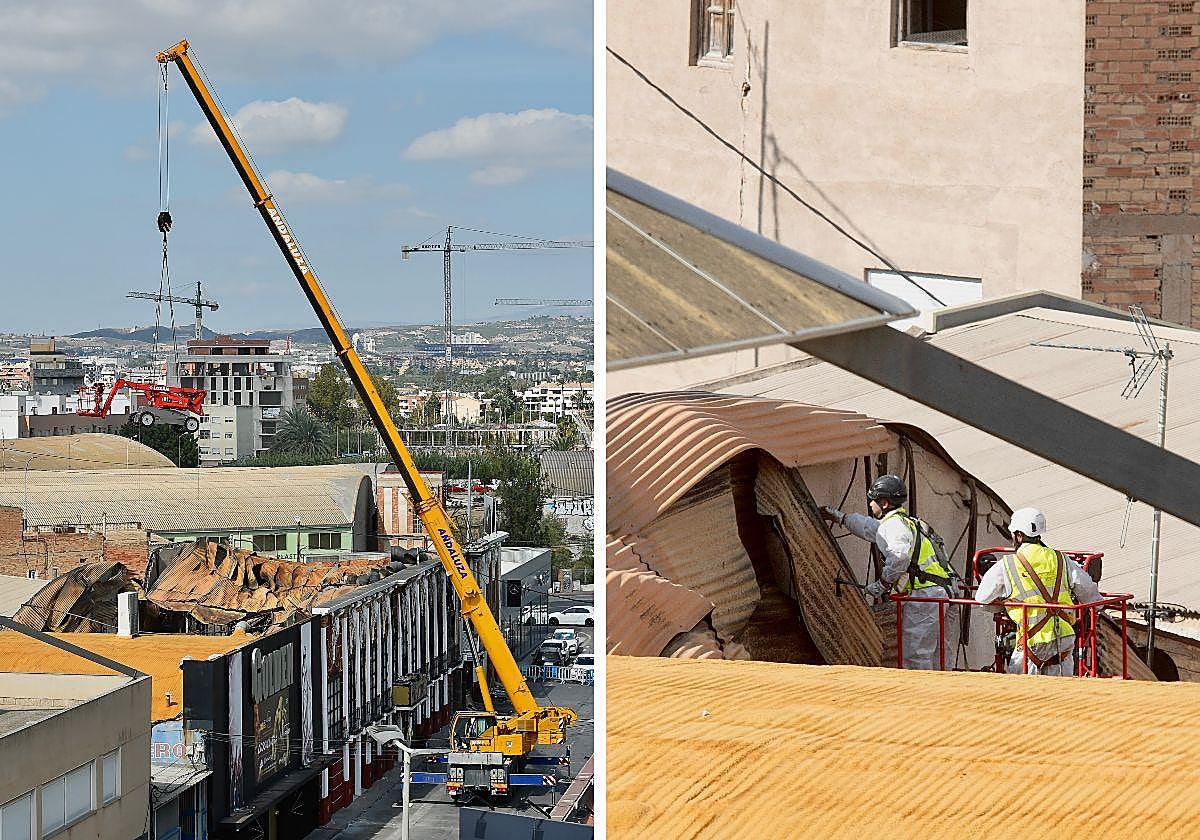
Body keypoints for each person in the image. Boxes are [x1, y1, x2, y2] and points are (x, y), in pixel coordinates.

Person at [821, 474, 959, 670]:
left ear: (884, 503)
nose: (870, 505)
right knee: (941, 653)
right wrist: (840, 517)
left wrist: (883, 583)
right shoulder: (909, 523)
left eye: (873, 501)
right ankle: (943, 695)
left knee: (916, 655)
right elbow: (871, 529)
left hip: (926, 596)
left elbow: (899, 556)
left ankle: (918, 698)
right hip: (946, 592)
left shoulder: (895, 526)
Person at [975, 507, 1101, 676]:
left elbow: (982, 598)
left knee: (1022, 696)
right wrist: (1099, 606)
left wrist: (1005, 605)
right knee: (1062, 695)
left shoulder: (1008, 565)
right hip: (1063, 637)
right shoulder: (1060, 558)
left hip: (1030, 641)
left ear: (1019, 535)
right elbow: (1088, 591)